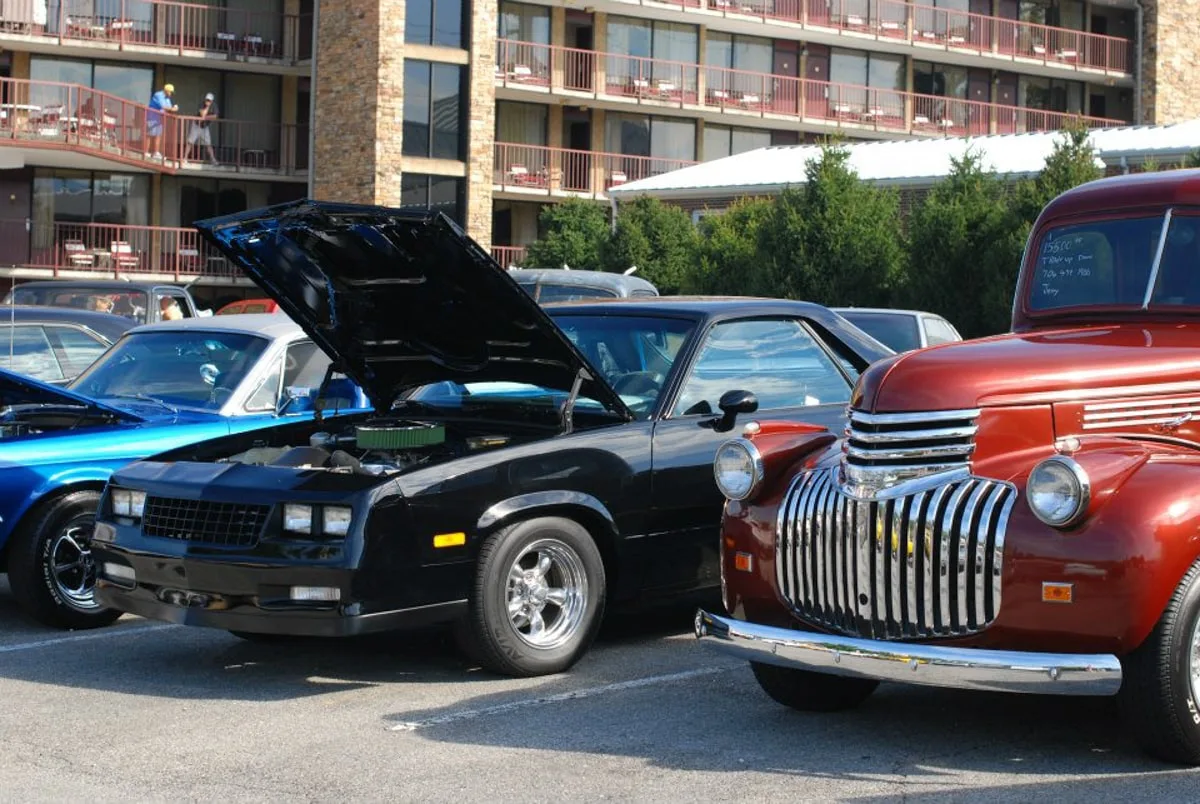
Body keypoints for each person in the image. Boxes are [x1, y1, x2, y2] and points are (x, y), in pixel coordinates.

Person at [185, 92, 220, 166]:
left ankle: (213, 159)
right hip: (196, 125)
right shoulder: (201, 104)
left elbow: (215, 116)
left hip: (205, 127)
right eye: (207, 100)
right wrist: (207, 108)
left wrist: (206, 118)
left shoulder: (214, 106)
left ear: (212, 101)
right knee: (190, 142)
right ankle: (184, 158)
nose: (207, 101)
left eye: (209, 100)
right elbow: (202, 114)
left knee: (208, 144)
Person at [146, 83, 178, 160]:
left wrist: (174, 108)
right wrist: (173, 109)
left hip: (159, 118)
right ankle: (146, 152)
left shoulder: (167, 98)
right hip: (152, 117)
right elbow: (163, 106)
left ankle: (155, 153)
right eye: (170, 92)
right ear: (166, 91)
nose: (171, 94)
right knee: (149, 134)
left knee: (158, 135)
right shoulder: (158, 95)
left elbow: (169, 108)